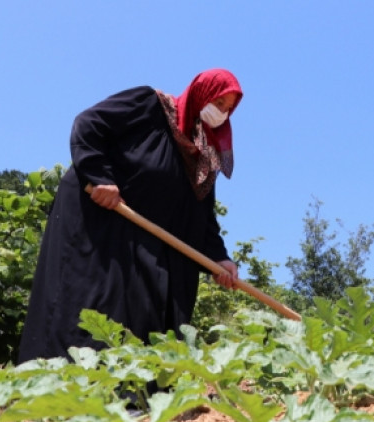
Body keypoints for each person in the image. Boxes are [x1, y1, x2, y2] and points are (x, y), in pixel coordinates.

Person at [18, 68, 243, 363]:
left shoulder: (202, 154)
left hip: (148, 238)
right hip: (101, 216)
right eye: (218, 102)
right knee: (96, 301)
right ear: (201, 94)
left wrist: (219, 259)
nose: (221, 113)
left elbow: (201, 213)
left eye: (228, 109)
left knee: (154, 305)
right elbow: (89, 124)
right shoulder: (149, 105)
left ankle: (139, 393)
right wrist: (100, 177)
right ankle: (63, 386)